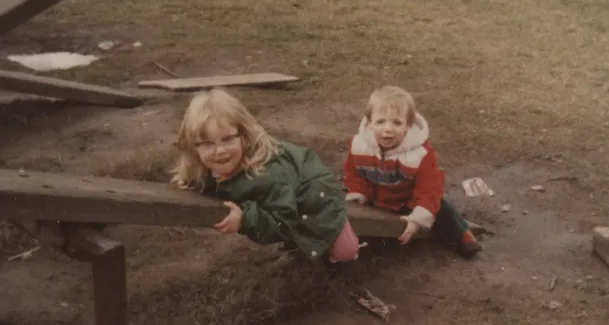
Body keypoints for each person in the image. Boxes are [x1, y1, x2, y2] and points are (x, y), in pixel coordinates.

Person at [171, 88, 363, 263]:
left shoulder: (268, 177)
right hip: (286, 191)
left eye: (228, 139)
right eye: (207, 144)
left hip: (315, 196)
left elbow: (284, 221)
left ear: (243, 136)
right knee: (287, 214)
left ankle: (344, 235)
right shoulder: (211, 162)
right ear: (193, 147)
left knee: (345, 253)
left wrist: (245, 220)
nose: (219, 151)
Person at [343, 85, 481, 257]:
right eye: (380, 121)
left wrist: (418, 219)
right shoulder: (359, 147)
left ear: (408, 125)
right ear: (369, 123)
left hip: (409, 199)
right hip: (377, 197)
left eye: (396, 122)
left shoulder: (420, 154)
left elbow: (429, 188)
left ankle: (463, 235)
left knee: (439, 205)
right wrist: (358, 193)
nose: (388, 129)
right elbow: (354, 174)